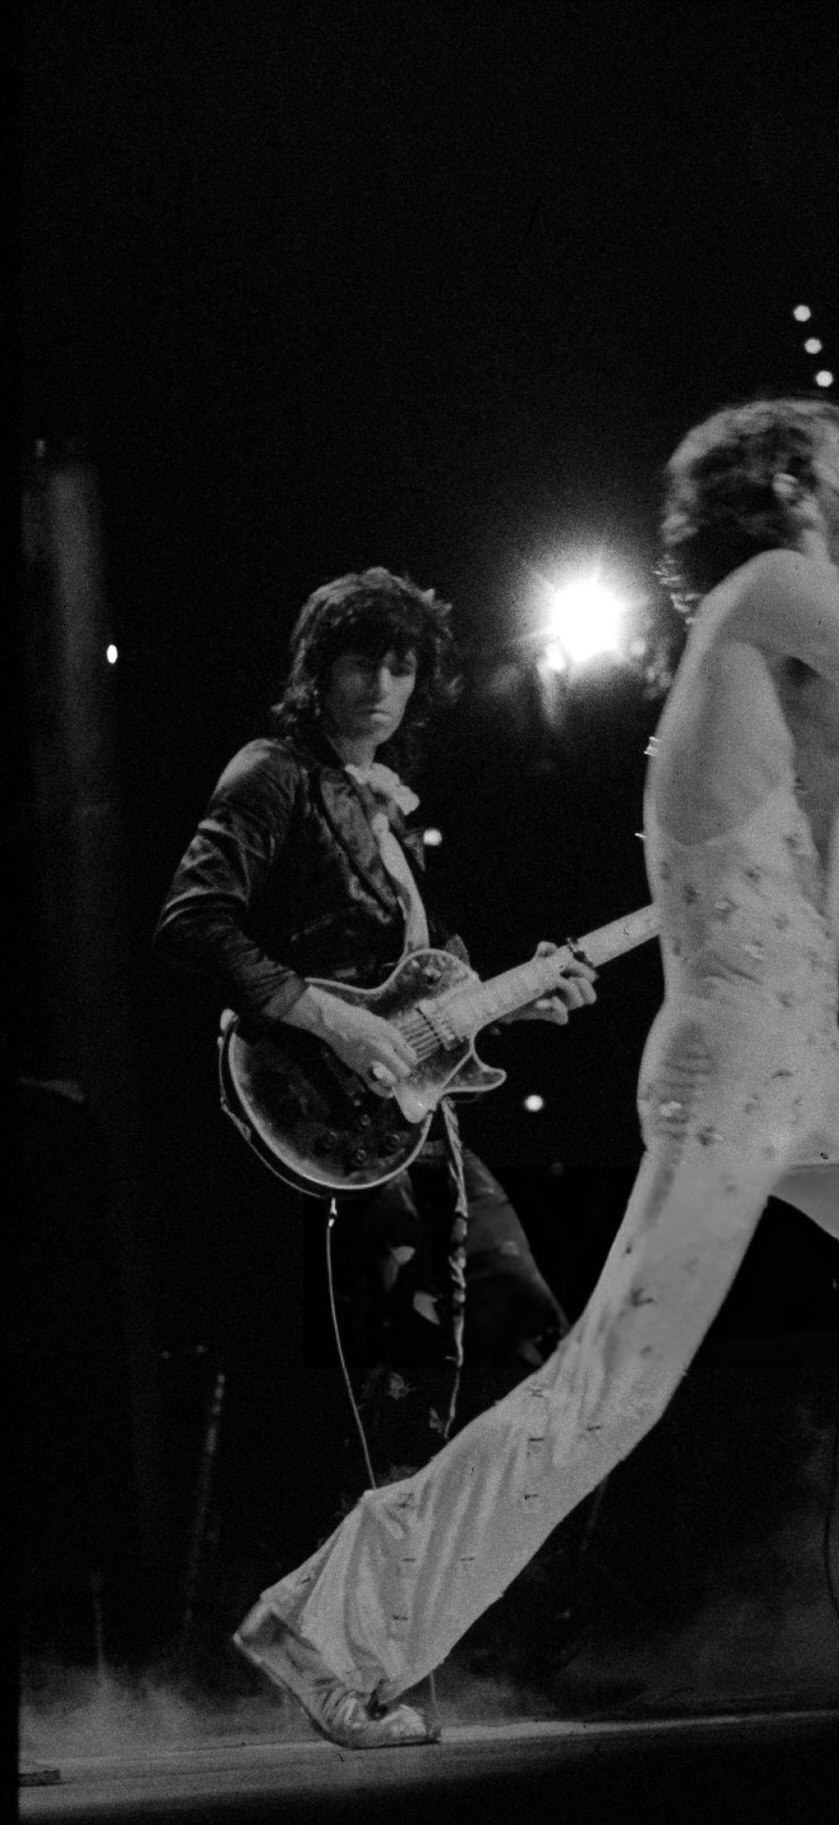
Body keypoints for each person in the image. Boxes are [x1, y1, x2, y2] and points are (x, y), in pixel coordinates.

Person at [231, 400, 839, 1748]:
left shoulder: (794, 616)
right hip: (740, 1065)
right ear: (796, 491)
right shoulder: (772, 585)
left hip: (803, 1071)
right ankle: (334, 1628)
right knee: (611, 1389)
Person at [155, 568, 598, 1486]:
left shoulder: (379, 801)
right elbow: (191, 922)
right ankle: (381, 1612)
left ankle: (487, 1603)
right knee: (400, 1402)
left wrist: (514, 1005)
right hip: (334, 1118)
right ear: (317, 667)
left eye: (404, 668)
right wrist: (334, 1026)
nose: (385, 687)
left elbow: (412, 1003)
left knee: (535, 1348)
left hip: (418, 1121)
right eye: (365, 662)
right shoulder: (273, 772)